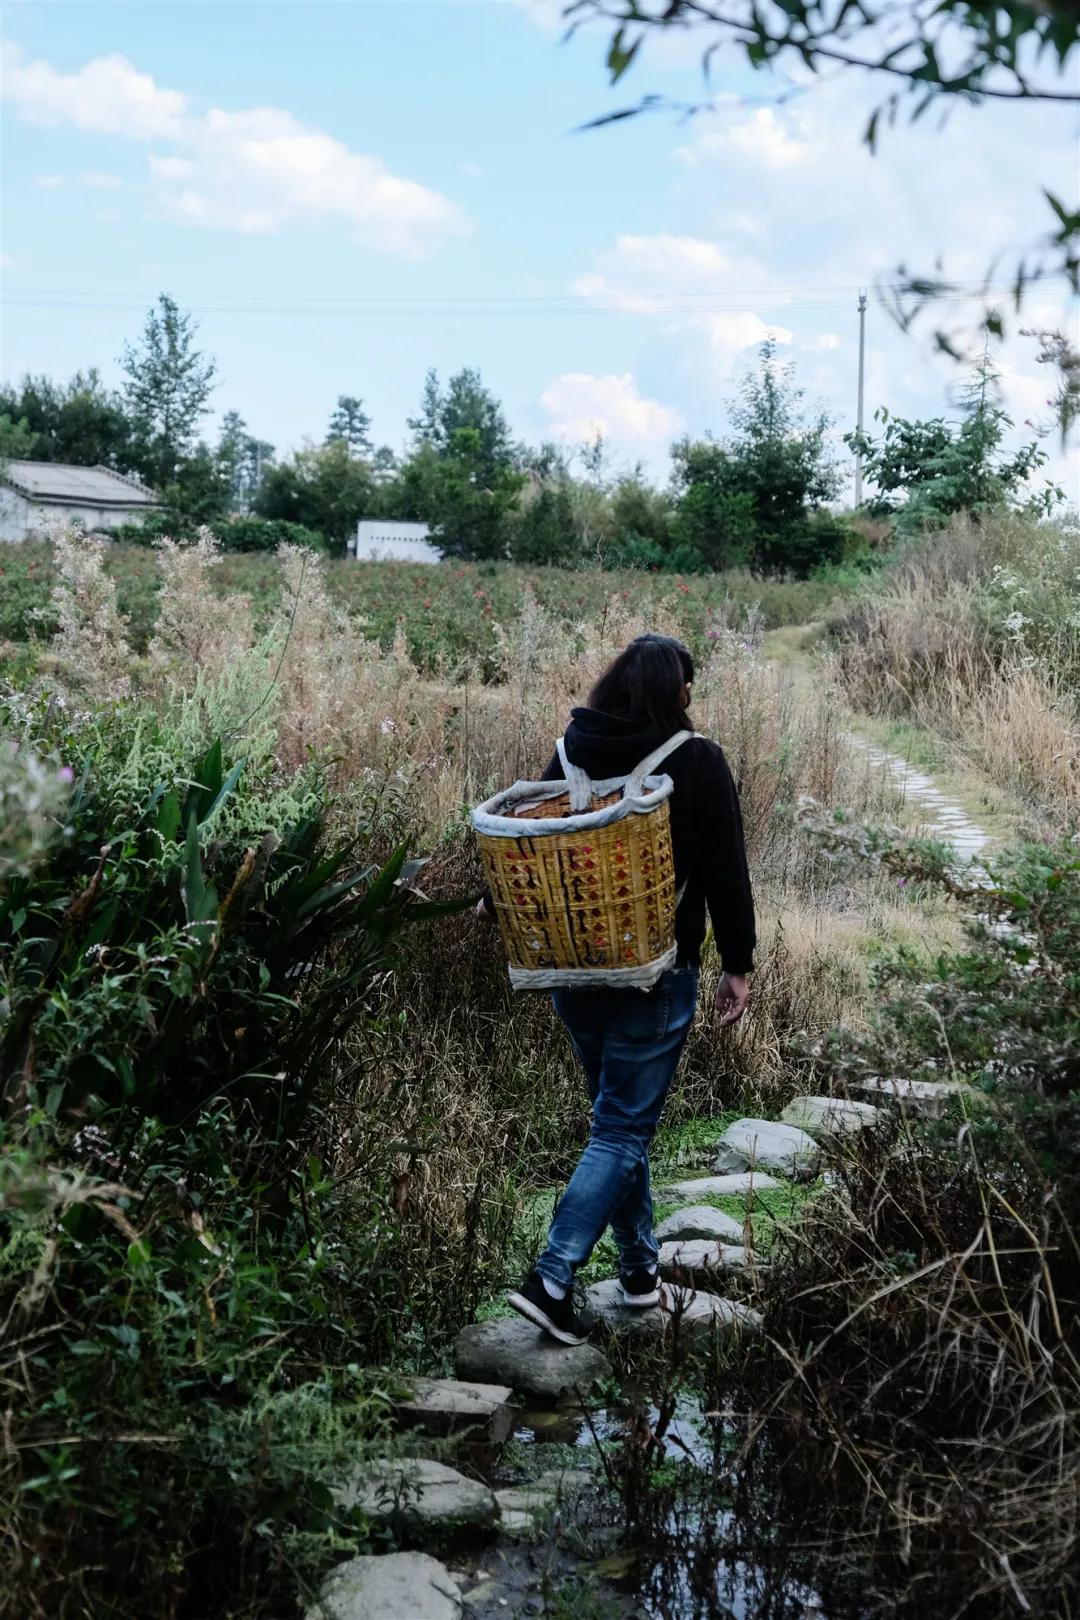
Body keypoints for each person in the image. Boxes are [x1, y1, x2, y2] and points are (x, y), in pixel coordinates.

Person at [479, 633, 755, 1346]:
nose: (694, 698)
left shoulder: (575, 750)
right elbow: (726, 870)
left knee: (617, 1123)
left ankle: (638, 1271)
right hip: (655, 972)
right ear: (675, 691)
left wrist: (495, 899)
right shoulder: (695, 760)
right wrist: (738, 962)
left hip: (573, 968)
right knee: (623, 1128)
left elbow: (527, 835)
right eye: (690, 686)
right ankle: (552, 1276)